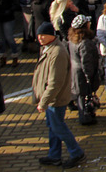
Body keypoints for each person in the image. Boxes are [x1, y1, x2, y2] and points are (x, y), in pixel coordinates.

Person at [32, 21, 86, 168]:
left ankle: (76, 153)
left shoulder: (57, 53)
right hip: (50, 98)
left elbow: (55, 82)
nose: (40, 38)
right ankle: (54, 155)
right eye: (39, 35)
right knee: (53, 127)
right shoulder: (47, 48)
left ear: (51, 36)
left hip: (55, 99)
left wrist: (43, 102)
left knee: (58, 127)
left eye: (44, 35)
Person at [67, 15, 100, 125]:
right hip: (82, 73)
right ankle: (85, 117)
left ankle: (85, 115)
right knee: (84, 96)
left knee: (81, 95)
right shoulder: (85, 43)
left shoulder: (72, 39)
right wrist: (89, 76)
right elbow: (86, 61)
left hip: (75, 72)